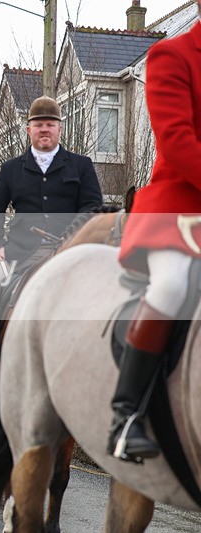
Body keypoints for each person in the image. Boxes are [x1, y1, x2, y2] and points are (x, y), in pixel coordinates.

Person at [109, 10, 201, 463]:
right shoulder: (173, 55)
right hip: (180, 208)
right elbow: (178, 142)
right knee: (173, 283)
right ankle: (126, 416)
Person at [0, 96, 102, 390]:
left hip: (68, 251)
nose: (45, 129)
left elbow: (93, 207)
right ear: (28, 129)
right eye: (38, 124)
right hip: (18, 251)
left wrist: (73, 234)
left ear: (60, 129)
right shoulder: (12, 169)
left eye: (50, 124)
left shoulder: (81, 166)